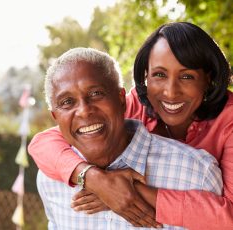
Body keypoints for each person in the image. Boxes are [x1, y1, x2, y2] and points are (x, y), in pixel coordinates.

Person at [29, 22, 233, 229]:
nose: (171, 92)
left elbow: (230, 217)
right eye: (159, 75)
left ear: (208, 79)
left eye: (187, 76)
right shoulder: (139, 102)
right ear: (145, 76)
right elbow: (44, 142)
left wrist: (127, 193)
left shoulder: (227, 125)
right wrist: (95, 180)